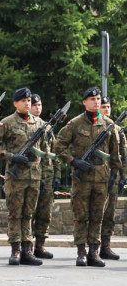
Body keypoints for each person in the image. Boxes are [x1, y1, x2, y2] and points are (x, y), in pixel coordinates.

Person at [55, 86, 119, 267]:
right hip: (82, 178)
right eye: (92, 99)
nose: (96, 102)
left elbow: (115, 152)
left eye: (98, 99)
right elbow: (59, 146)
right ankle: (81, 252)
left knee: (98, 216)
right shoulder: (74, 124)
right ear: (84, 102)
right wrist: (73, 162)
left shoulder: (108, 124)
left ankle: (94, 252)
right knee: (81, 216)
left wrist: (115, 173)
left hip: (102, 178)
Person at [0, 88, 45, 266]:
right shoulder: (6, 123)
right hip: (15, 177)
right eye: (23, 101)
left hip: (34, 176)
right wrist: (12, 156)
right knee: (15, 214)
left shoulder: (39, 124)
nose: (27, 103)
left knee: (29, 214)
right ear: (15, 103)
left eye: (29, 101)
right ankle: (15, 249)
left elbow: (45, 150)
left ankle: (27, 250)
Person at [31, 94, 58, 259]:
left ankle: (40, 245)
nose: (37, 108)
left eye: (39, 105)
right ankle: (24, 246)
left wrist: (57, 174)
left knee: (45, 212)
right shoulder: (27, 125)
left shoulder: (47, 127)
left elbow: (53, 152)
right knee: (28, 212)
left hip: (47, 175)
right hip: (31, 175)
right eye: (34, 105)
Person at [98, 97, 125, 261]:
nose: (106, 109)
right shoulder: (90, 128)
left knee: (109, 213)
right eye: (103, 106)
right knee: (93, 214)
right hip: (94, 177)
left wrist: (123, 176)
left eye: (108, 106)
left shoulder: (117, 130)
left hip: (112, 177)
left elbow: (123, 155)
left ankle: (105, 246)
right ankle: (90, 247)